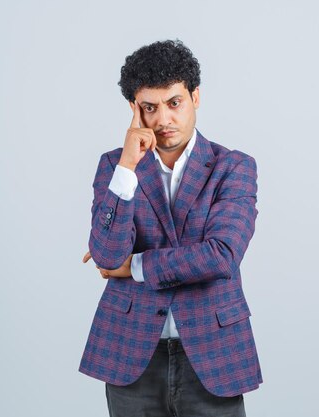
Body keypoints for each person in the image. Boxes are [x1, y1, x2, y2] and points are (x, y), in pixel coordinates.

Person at [79, 39, 263, 417]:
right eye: (150, 107)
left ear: (195, 97)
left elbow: (221, 256)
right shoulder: (115, 167)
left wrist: (136, 266)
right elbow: (108, 254)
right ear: (135, 108)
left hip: (213, 351)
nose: (162, 120)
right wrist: (128, 166)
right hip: (132, 353)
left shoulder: (234, 167)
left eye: (174, 103)